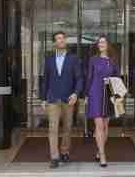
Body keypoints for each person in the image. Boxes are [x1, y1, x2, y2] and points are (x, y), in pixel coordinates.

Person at [41, 31, 83, 168]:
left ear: (65, 41)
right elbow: (45, 80)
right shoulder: (49, 59)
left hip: (68, 99)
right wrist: (43, 98)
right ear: (55, 43)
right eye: (58, 39)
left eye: (62, 38)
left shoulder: (73, 58)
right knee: (53, 129)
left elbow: (79, 78)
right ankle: (54, 157)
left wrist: (76, 93)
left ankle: (64, 151)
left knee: (67, 127)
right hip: (53, 99)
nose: (60, 40)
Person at [85, 36, 120, 168]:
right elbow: (89, 76)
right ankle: (103, 155)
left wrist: (111, 81)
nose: (101, 44)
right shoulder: (93, 59)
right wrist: (87, 95)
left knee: (105, 126)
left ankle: (99, 151)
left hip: (109, 94)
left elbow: (117, 77)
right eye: (99, 42)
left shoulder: (113, 60)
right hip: (95, 93)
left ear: (108, 45)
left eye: (103, 42)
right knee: (99, 125)